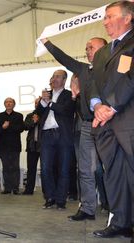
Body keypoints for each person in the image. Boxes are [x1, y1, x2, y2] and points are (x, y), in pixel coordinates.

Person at [41, 35, 107, 220]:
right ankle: (87, 209)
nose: (87, 51)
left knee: (110, 168)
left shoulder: (112, 69)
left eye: (91, 47)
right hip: (87, 125)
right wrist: (47, 43)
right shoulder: (83, 69)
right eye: (86, 48)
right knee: (85, 169)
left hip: (108, 124)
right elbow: (63, 58)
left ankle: (117, 211)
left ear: (104, 49)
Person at [90, 1, 134, 238]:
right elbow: (94, 83)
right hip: (106, 125)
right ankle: (120, 222)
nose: (105, 21)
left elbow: (130, 79)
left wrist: (112, 107)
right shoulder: (103, 52)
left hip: (128, 119)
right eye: (104, 17)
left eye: (110, 16)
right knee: (114, 174)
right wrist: (96, 105)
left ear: (127, 18)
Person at [37, 70, 75, 210]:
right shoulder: (47, 95)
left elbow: (66, 110)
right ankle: (50, 198)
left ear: (64, 80)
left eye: (58, 76)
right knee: (46, 168)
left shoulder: (69, 94)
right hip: (47, 135)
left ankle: (60, 200)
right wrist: (42, 102)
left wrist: (50, 103)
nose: (54, 79)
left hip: (63, 135)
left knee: (63, 169)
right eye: (53, 76)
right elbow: (38, 114)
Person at [0, 97, 24, 195]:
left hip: (15, 145)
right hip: (3, 145)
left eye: (10, 102)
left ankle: (15, 188)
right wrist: (3, 128)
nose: (8, 103)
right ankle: (7, 188)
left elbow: (21, 128)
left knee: (15, 167)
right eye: (7, 102)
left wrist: (8, 126)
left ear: (14, 104)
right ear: (4, 104)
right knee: (6, 167)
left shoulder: (19, 116)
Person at [22, 98, 41, 195]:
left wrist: (39, 120)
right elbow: (25, 126)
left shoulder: (46, 114)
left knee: (46, 169)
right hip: (32, 146)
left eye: (39, 103)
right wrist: (34, 121)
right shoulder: (30, 115)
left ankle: (48, 191)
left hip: (44, 146)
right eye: (36, 103)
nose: (37, 104)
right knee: (31, 169)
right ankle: (29, 190)